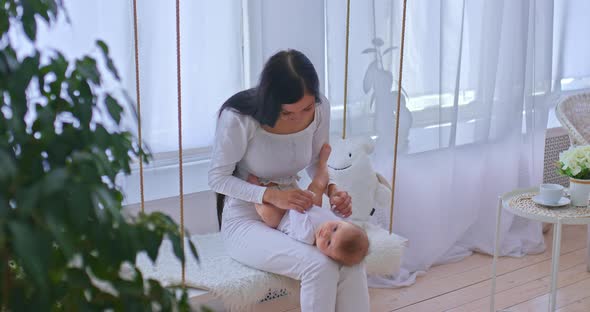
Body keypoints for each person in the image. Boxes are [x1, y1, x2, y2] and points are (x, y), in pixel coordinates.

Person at [208, 49, 370, 312]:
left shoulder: (319, 108)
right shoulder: (239, 119)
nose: (300, 118)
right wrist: (270, 196)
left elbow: (315, 163)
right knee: (319, 266)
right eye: (288, 113)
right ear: (271, 104)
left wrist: (332, 189)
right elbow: (217, 178)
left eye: (306, 108)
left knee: (350, 261)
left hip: (297, 212)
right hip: (246, 217)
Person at [247, 144, 370, 266]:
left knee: (269, 213)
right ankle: (322, 163)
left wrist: (303, 197)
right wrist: (338, 205)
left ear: (328, 256)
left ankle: (255, 187)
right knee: (319, 184)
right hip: (312, 208)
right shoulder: (341, 223)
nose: (326, 233)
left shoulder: (307, 235)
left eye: (328, 243)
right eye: (335, 229)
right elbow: (339, 214)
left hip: (286, 217)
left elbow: (296, 212)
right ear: (345, 223)